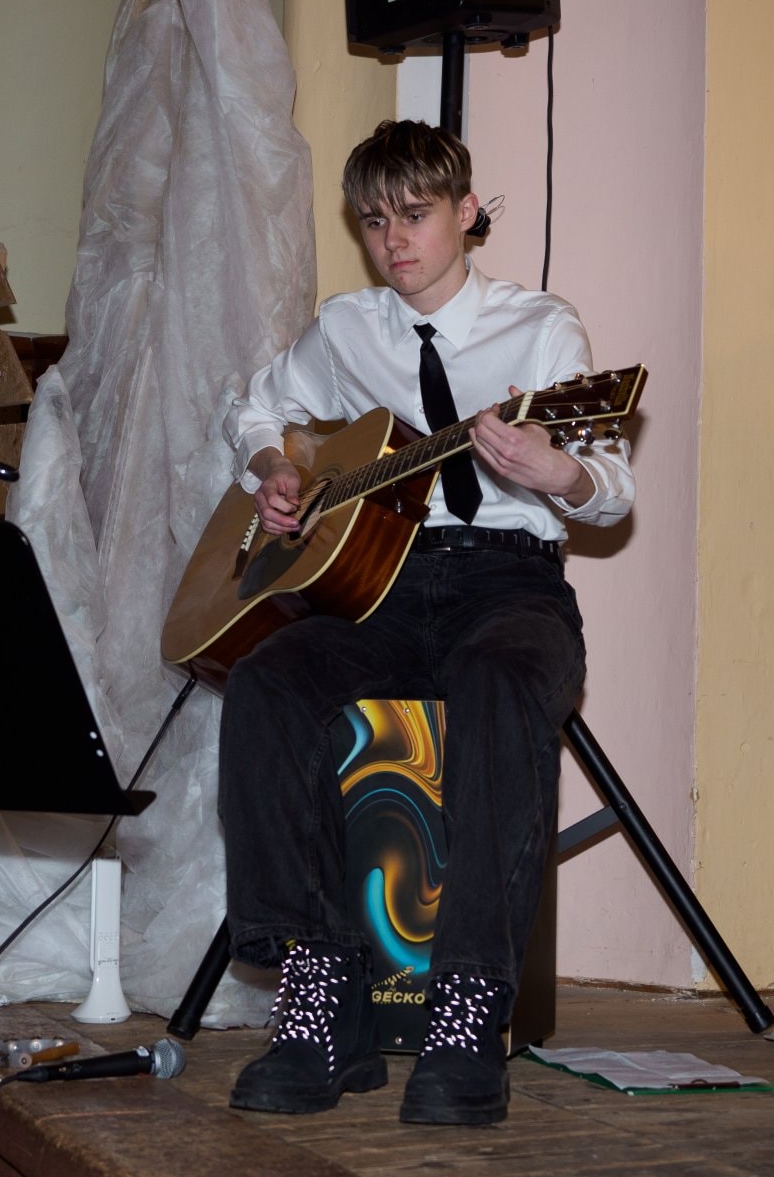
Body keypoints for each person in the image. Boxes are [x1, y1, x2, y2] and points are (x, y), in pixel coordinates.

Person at [218, 119, 635, 1125]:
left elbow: (612, 493)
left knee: (498, 681)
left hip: (512, 585)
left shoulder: (542, 329)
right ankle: (323, 995)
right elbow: (255, 410)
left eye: (415, 215)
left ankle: (468, 1008)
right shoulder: (346, 328)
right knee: (268, 681)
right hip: (383, 587)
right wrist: (275, 470)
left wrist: (555, 471)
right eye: (373, 221)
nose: (394, 240)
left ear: (466, 211)